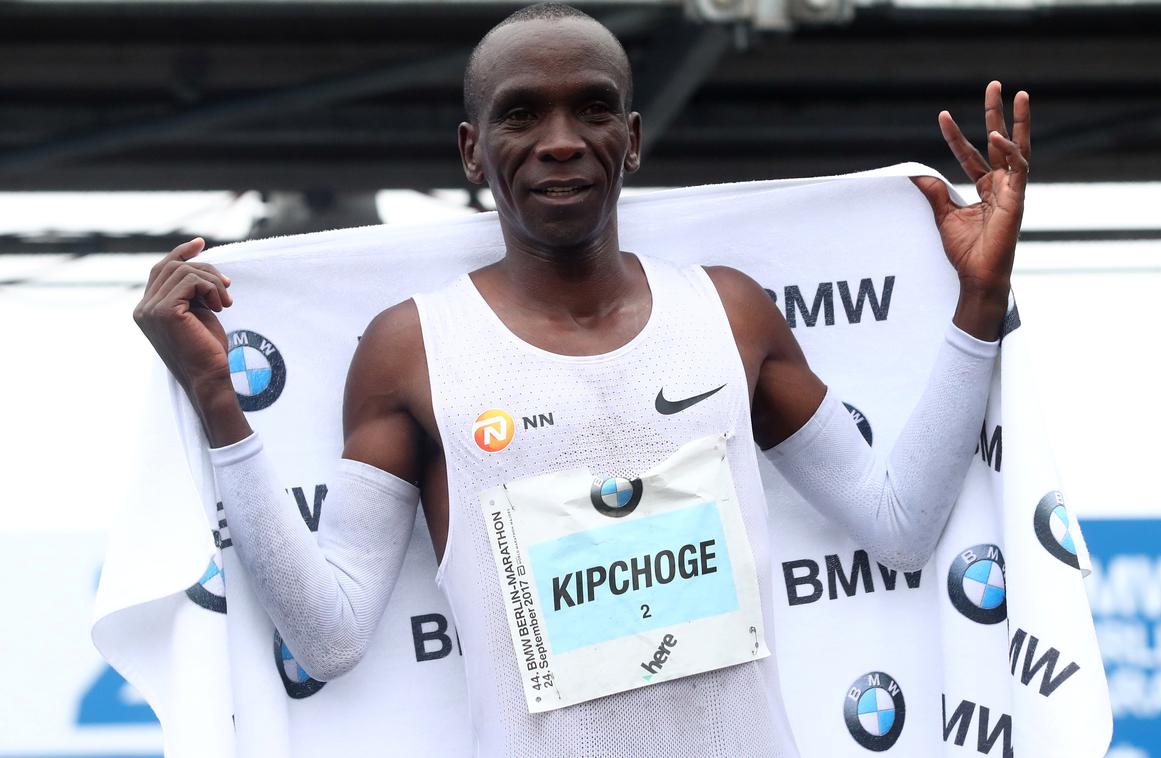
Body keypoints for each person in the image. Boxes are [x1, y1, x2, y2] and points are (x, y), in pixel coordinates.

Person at [133, 4, 1030, 755]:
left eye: (591, 109)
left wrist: (980, 299)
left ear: (630, 140)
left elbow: (903, 526)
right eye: (521, 115)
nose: (560, 142)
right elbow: (327, 638)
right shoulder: (413, 350)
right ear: (472, 151)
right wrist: (220, 402)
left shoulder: (730, 315)